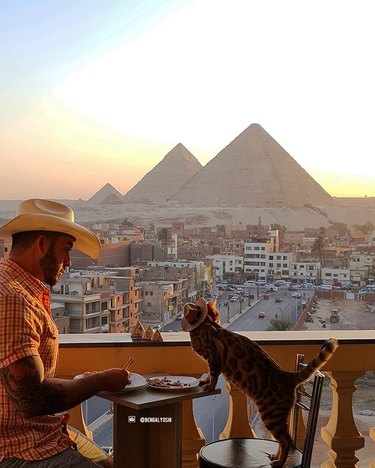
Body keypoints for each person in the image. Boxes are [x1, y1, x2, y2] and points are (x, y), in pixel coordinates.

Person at [0, 199, 131, 467]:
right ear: (42, 245)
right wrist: (101, 382)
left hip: (40, 431)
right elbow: (31, 399)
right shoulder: (14, 298)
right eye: (66, 250)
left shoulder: (18, 287)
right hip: (19, 445)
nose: (69, 262)